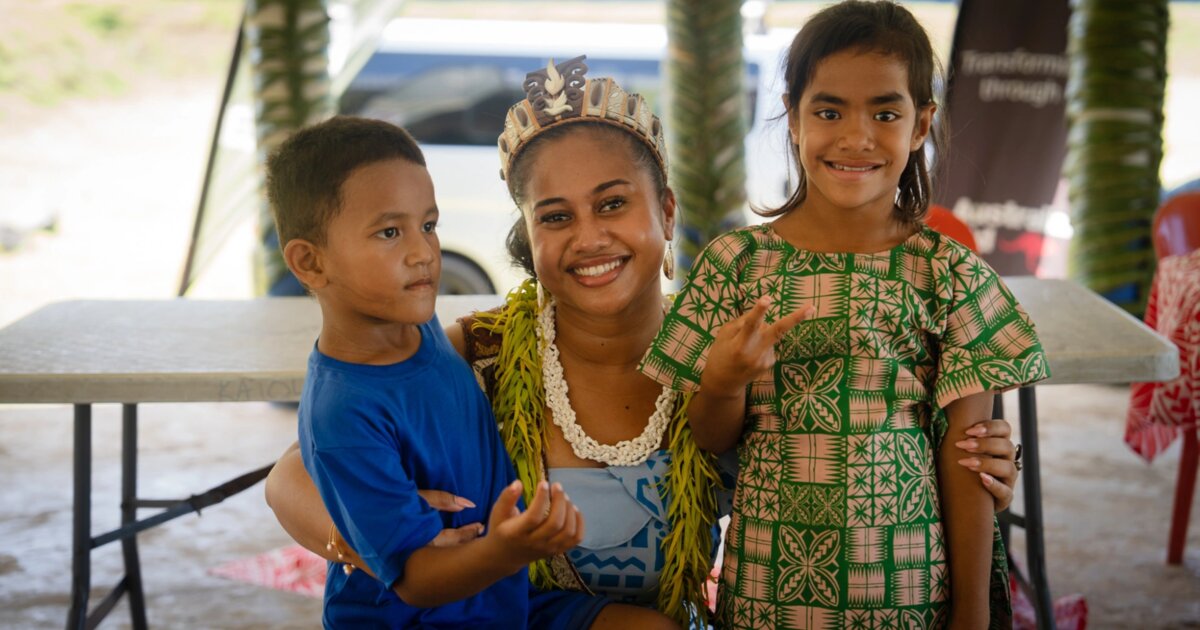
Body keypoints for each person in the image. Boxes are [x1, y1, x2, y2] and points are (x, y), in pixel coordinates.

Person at [265, 56, 1026, 628]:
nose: (589, 237)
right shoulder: (486, 350)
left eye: (614, 204)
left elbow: (858, 424)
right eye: (556, 217)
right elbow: (288, 477)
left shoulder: (734, 343)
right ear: (528, 239)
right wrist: (377, 543)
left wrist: (973, 447)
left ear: (665, 211)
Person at [639, 2, 1049, 628]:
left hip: (911, 597)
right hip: (766, 593)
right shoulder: (736, 266)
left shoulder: (948, 273)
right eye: (828, 111)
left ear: (921, 125)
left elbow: (969, 463)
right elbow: (710, 438)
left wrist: (972, 616)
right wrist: (724, 378)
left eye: (885, 113)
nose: (856, 137)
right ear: (794, 117)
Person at [265, 116, 587, 628]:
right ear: (310, 263)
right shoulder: (344, 412)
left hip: (501, 602)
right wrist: (507, 550)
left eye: (429, 225)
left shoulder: (419, 327)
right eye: (390, 232)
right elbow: (415, 582)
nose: (423, 253)